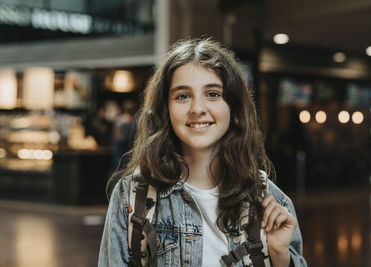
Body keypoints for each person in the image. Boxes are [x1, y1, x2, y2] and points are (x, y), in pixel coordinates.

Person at [98, 38, 307, 267]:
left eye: (213, 94)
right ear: (165, 109)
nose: (197, 108)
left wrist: (279, 255)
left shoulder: (270, 201)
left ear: (233, 107)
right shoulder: (131, 197)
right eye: (183, 96)